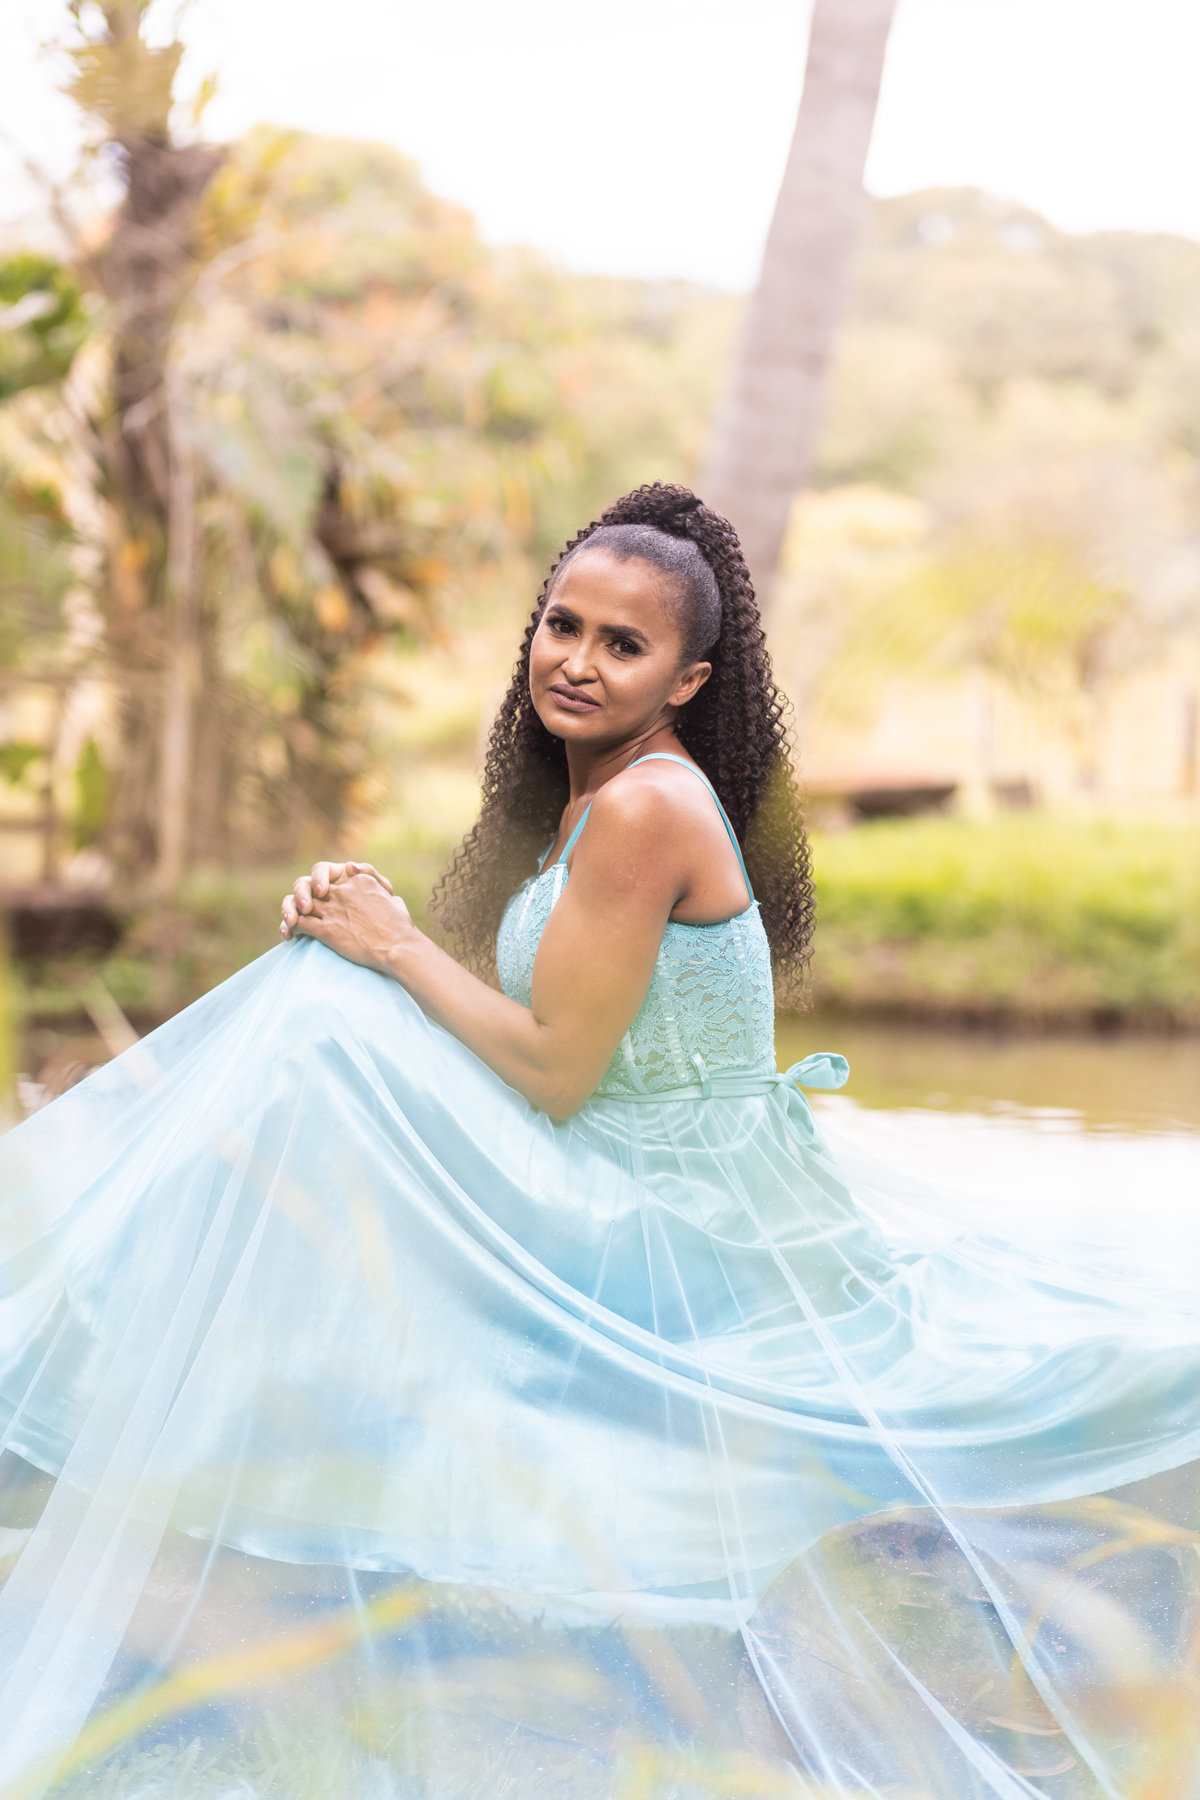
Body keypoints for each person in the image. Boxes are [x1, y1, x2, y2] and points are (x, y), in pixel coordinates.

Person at [0, 483, 1196, 1799]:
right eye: (563, 625)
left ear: (686, 681)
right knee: (323, 1015)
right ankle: (158, 1428)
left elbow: (556, 1071)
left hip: (678, 1211)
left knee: (323, 1030)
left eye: (623, 645)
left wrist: (390, 948)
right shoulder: (601, 795)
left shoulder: (642, 809)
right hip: (642, 1170)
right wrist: (365, 937)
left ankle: (98, 1370)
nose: (576, 661)